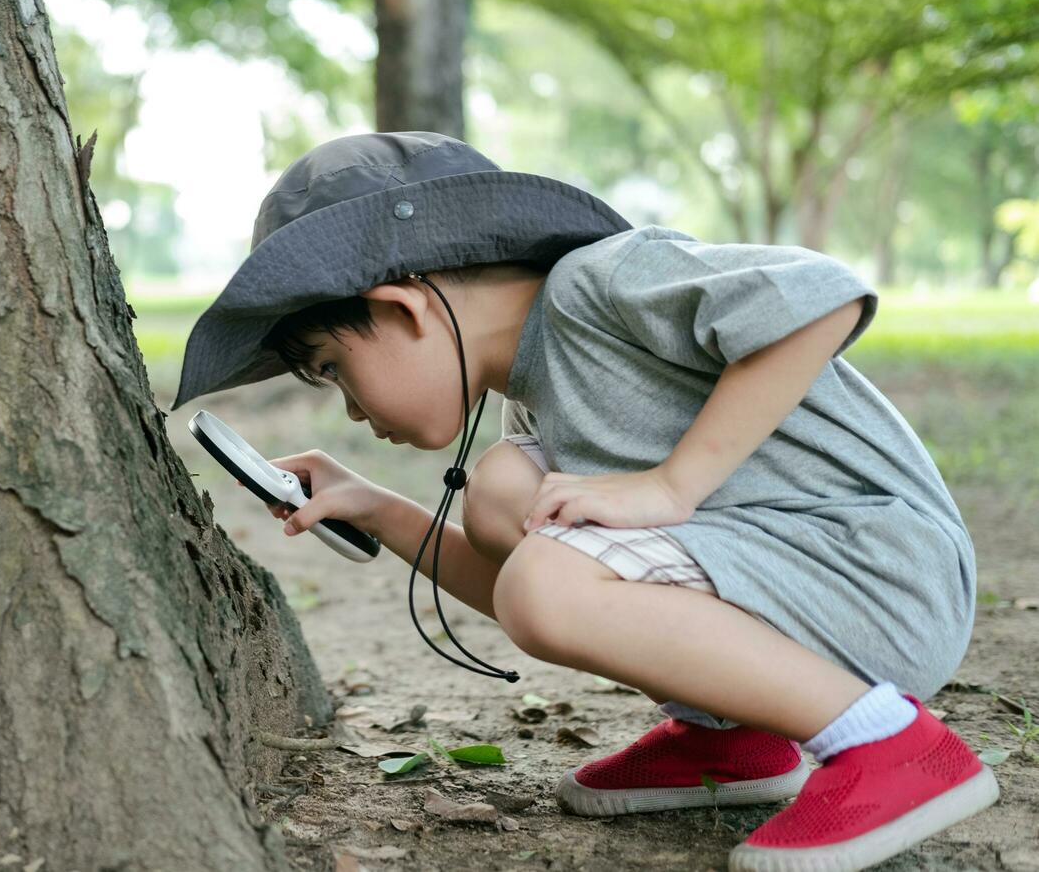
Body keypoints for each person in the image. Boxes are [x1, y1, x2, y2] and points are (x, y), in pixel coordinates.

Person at [167, 131, 998, 871]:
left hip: (878, 573)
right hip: (803, 585)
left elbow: (821, 296)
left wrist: (672, 487)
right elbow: (539, 594)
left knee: (538, 553)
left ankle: (893, 748)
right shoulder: (534, 394)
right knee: (503, 496)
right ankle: (739, 733)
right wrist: (379, 508)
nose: (350, 407)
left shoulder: (598, 282)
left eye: (333, 368)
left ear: (403, 307)